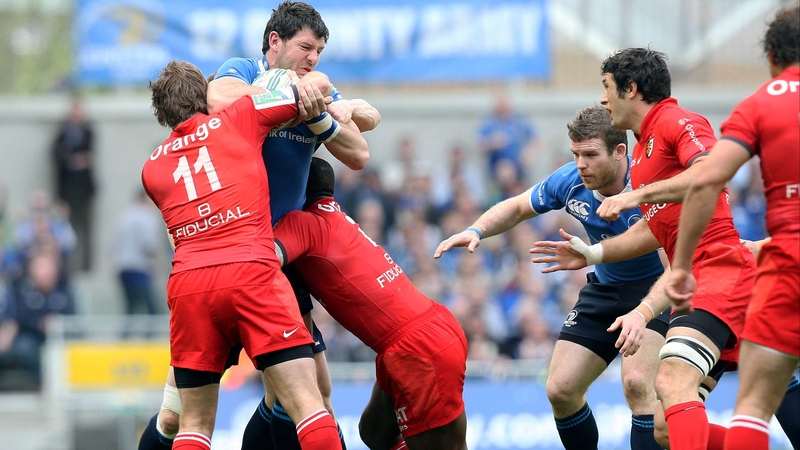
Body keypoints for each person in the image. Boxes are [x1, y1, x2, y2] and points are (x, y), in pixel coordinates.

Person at [139, 3, 381, 449]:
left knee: (310, 391)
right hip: (240, 251)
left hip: (274, 257)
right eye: (306, 47)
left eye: (320, 51)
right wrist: (307, 100)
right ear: (275, 41)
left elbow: (359, 152)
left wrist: (322, 112)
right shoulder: (243, 72)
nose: (313, 58)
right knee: (178, 417)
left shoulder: (154, 166)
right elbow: (219, 99)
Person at [531, 48, 756, 450]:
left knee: (663, 383)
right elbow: (657, 230)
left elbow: (711, 172)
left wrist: (639, 195)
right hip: (698, 278)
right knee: (663, 426)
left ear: (630, 89)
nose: (603, 99)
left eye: (607, 88)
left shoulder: (677, 121)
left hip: (717, 272)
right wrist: (595, 254)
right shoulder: (642, 146)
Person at [436, 105, 671, 450]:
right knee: (560, 389)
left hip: (656, 290)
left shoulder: (650, 184)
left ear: (621, 152)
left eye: (590, 154)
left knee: (638, 383)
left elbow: (675, 267)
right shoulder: (572, 180)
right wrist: (477, 229)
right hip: (605, 288)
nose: (581, 164)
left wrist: (646, 311)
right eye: (576, 154)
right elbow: (517, 207)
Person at [667, 7, 799, 450]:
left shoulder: (760, 104)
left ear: (771, 57)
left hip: (788, 262)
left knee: (755, 408)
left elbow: (707, 180)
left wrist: (682, 265)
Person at [274, 157, 468, 450]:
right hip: (428, 328)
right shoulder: (336, 215)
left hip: (417, 348)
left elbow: (261, 259)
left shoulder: (303, 223)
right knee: (373, 433)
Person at [51, 96, 96, 271]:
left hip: (84, 190)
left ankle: (86, 267)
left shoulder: (87, 132)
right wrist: (73, 160)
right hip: (67, 191)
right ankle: (66, 268)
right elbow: (57, 155)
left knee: (85, 229)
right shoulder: (62, 134)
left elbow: (88, 156)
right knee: (64, 230)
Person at [113, 190, 163, 317]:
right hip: (139, 266)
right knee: (151, 308)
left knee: (130, 307)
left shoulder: (125, 215)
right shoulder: (146, 216)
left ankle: (126, 335)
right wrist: (156, 262)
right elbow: (148, 244)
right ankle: (150, 336)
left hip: (122, 266)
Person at [477, 92, 538, 184]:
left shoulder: (519, 120)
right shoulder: (489, 122)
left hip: (518, 167)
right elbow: (478, 145)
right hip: (496, 168)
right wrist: (492, 143)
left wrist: (528, 154)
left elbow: (536, 139)